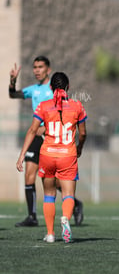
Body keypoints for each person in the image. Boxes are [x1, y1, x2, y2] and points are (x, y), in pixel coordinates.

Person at [9, 56, 84, 227]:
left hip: (52, 139)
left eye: (40, 67)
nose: (36, 70)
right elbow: (13, 95)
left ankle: (75, 203)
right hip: (37, 137)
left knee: (55, 182)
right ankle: (32, 216)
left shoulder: (55, 90)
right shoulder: (33, 89)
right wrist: (12, 82)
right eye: (34, 67)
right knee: (29, 175)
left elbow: (65, 114)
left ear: (48, 69)